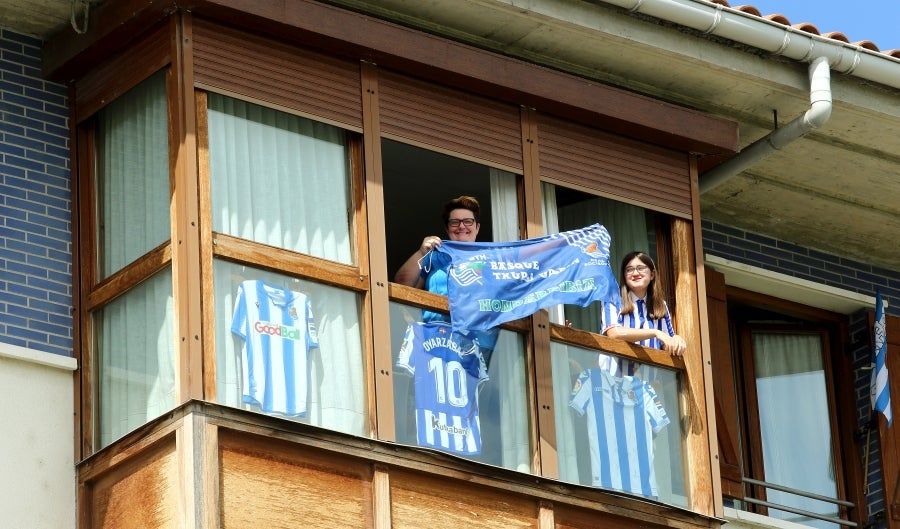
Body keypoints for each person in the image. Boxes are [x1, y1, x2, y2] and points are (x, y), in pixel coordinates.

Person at [602, 251, 687, 364]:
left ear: (652, 274)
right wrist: (655, 332)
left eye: (641, 268)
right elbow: (614, 333)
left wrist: (677, 341)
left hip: (650, 379)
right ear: (624, 276)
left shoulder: (661, 305)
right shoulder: (612, 299)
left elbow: (668, 343)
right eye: (629, 270)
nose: (635, 273)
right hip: (615, 378)